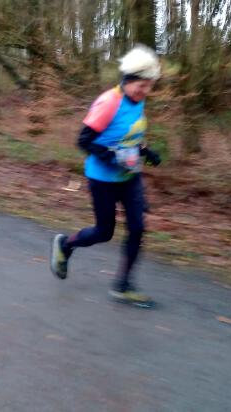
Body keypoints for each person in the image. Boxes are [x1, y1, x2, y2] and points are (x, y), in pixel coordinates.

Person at [50, 44, 162, 307]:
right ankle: (66, 245)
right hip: (102, 179)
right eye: (142, 86)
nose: (146, 91)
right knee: (104, 232)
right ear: (128, 79)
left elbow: (129, 134)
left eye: (149, 86)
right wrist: (111, 157)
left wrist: (146, 151)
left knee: (137, 228)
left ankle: (123, 286)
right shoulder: (109, 102)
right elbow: (84, 140)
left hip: (130, 177)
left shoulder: (138, 100)